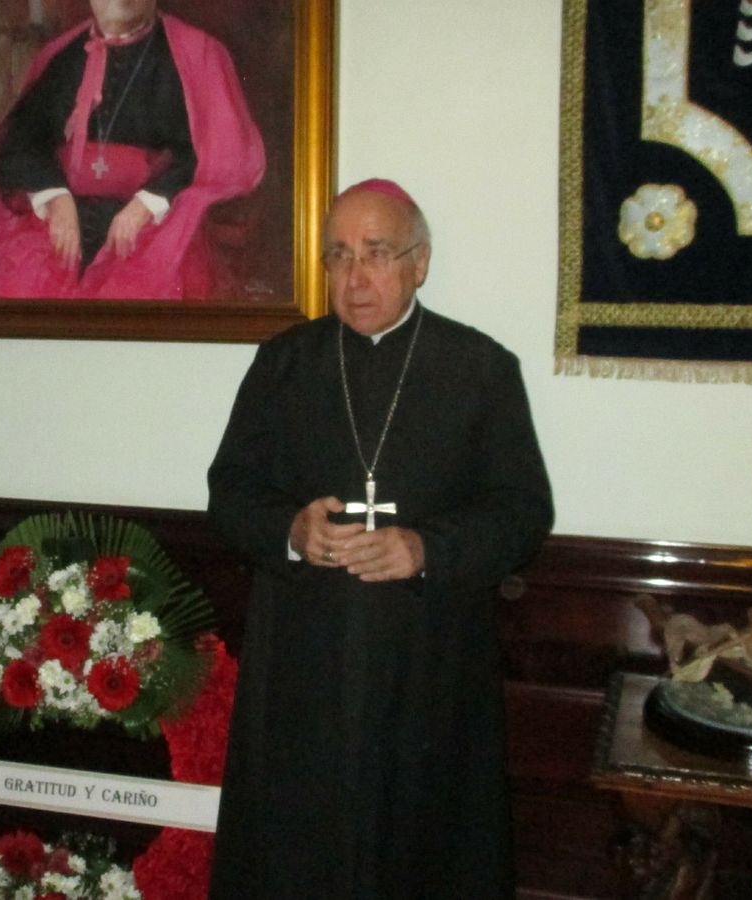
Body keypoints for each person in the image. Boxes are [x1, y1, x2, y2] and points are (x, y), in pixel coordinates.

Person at [206, 179, 554, 897]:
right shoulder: (284, 364)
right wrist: (293, 530)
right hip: (304, 664)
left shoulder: (481, 370)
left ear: (419, 262)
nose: (355, 276)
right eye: (338, 255)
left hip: (429, 663)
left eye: (376, 252)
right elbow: (228, 491)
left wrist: (426, 549)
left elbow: (524, 510)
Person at [0, 0, 265, 300]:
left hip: (152, 222)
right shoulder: (63, 54)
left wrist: (145, 204)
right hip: (62, 217)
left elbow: (213, 154)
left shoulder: (198, 53)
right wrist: (55, 198)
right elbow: (20, 142)